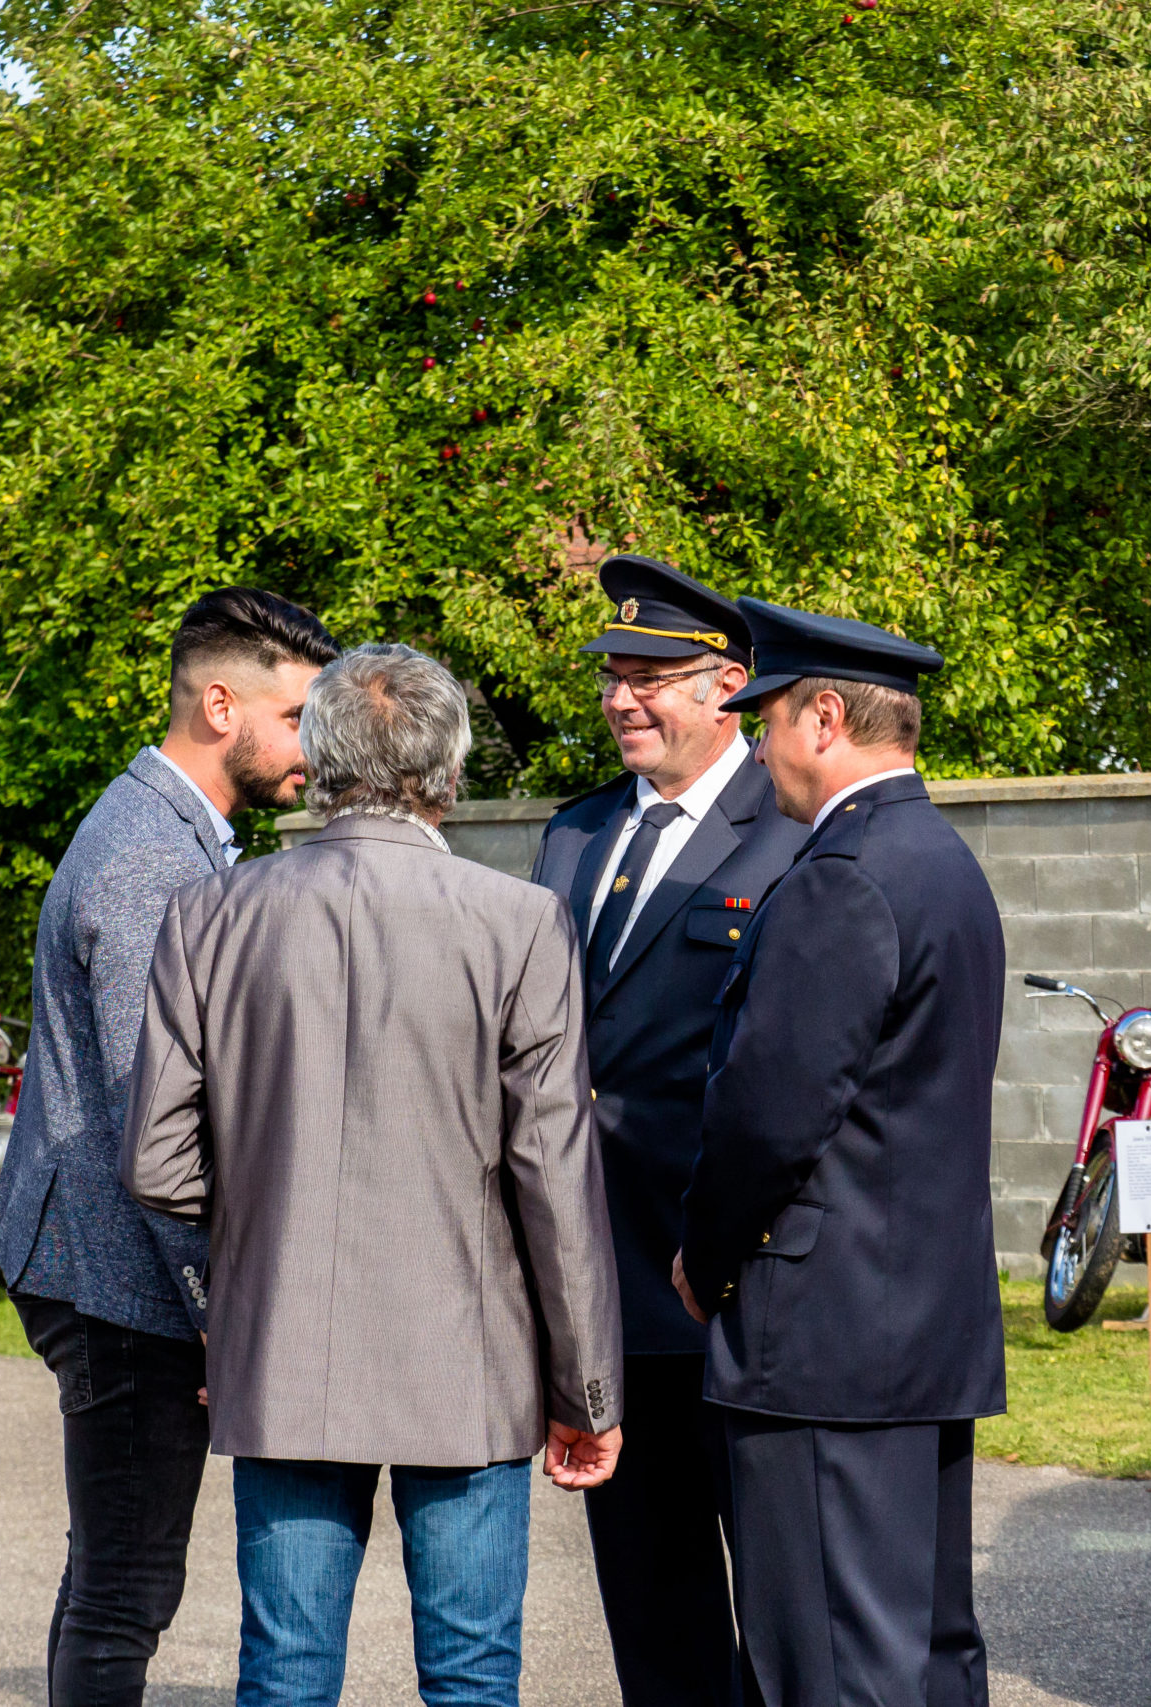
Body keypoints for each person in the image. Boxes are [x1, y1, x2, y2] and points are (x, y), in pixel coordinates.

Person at [122, 642, 624, 1707]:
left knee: (287, 1673)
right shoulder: (519, 922)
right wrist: (586, 1388)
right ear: (450, 769)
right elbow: (553, 1176)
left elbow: (157, 1160)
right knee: (472, 1678)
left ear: (318, 757)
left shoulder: (211, 913)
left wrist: (266, 1221)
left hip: (285, 1347)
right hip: (470, 1357)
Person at [0, 588, 337, 1707]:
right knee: (126, 1587)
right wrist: (215, 1303)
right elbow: (160, 1116)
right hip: (118, 1274)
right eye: (297, 718)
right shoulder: (151, 861)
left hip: (105, 1258)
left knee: (108, 1573)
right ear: (221, 706)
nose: (314, 746)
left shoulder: (166, 831)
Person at [672, 601, 1007, 1707]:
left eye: (766, 717)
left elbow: (769, 1114)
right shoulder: (942, 860)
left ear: (823, 718)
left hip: (824, 1344)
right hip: (918, 1326)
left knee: (824, 1666)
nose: (758, 743)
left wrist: (704, 1255)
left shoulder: (842, 874)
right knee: (926, 1657)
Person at [529, 555, 806, 1707]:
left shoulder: (788, 830)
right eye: (611, 677)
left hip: (738, 1288)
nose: (619, 699)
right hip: (605, 1290)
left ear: (727, 686)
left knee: (786, 1619)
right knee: (651, 1609)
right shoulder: (574, 834)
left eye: (648, 678)